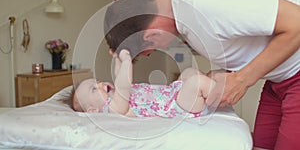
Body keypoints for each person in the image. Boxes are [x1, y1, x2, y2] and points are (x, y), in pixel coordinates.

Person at [103, 0, 300, 149]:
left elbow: (297, 22)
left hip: (296, 74)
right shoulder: (185, 13)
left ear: (151, 36)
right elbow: (244, 36)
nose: (162, 47)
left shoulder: (205, 2)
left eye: (152, 50)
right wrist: (223, 74)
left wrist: (240, 80)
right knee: (261, 145)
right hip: (279, 80)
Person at [72, 49, 215, 118]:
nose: (100, 84)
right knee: (197, 82)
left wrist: (117, 56)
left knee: (189, 72)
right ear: (93, 110)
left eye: (97, 82)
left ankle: (210, 92)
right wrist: (127, 61)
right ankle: (221, 92)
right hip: (177, 107)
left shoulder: (118, 97)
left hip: (173, 93)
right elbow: (123, 83)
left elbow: (118, 75)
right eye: (94, 89)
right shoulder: (113, 109)